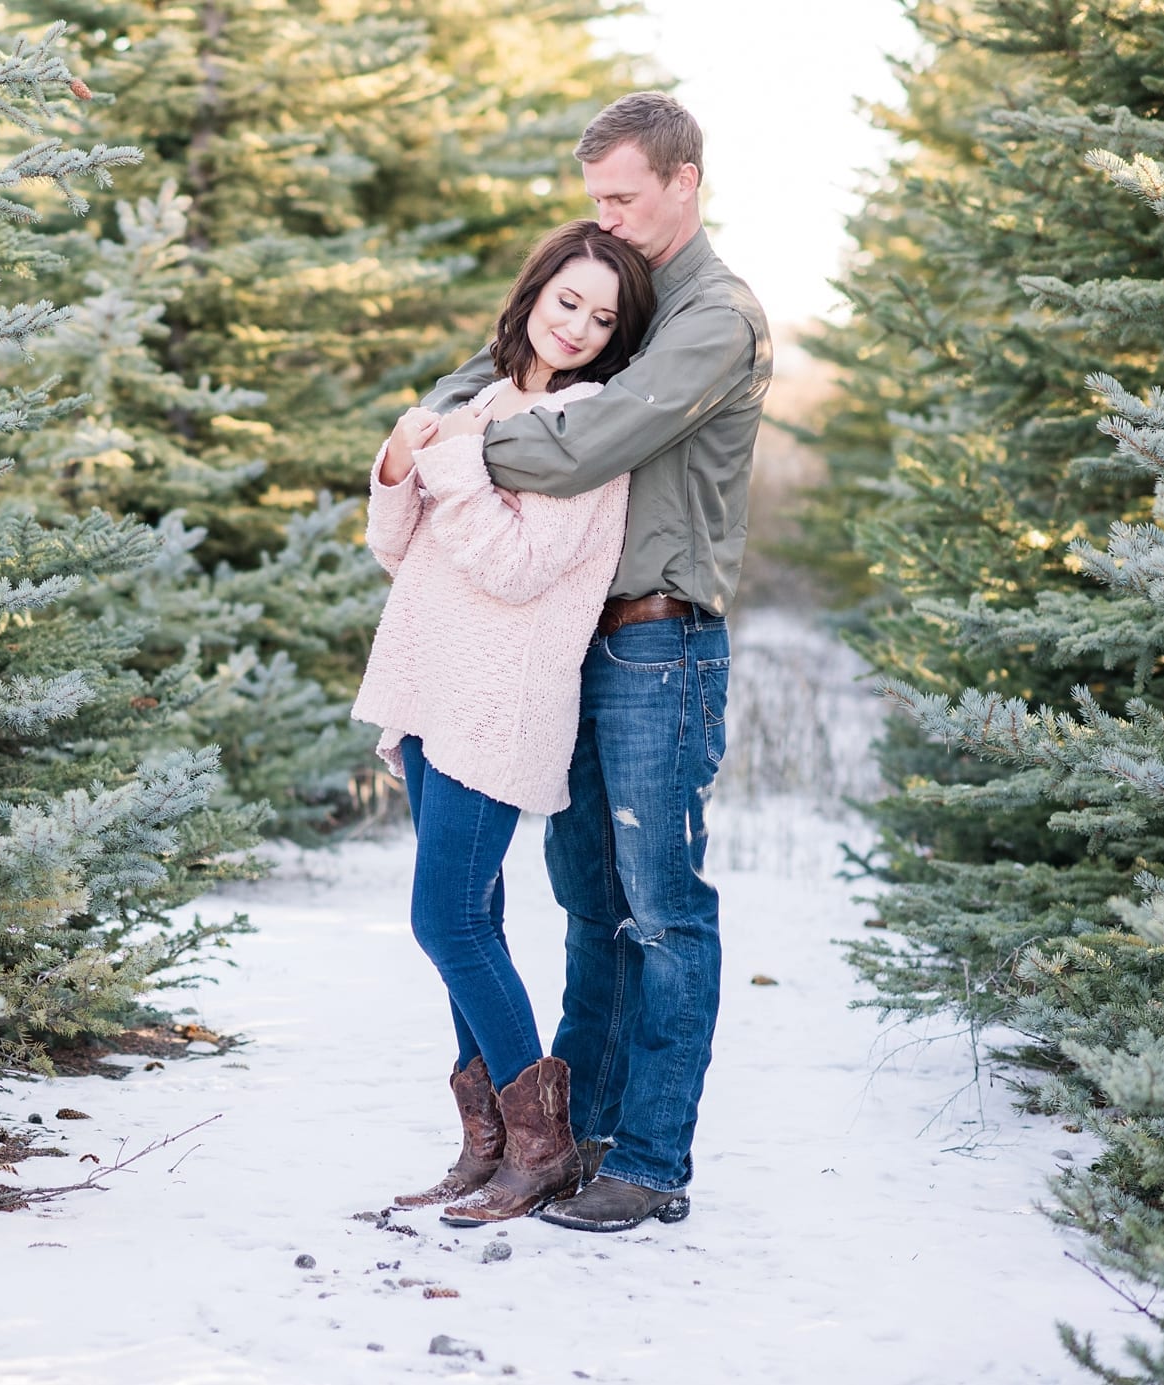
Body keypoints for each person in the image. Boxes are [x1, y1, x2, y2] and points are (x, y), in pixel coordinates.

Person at [421, 92, 773, 1233]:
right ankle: (582, 1138)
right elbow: (504, 359)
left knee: (664, 908)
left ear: (686, 181)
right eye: (595, 201)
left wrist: (460, 442)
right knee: (588, 903)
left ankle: (654, 1163)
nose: (606, 218)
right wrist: (434, 414)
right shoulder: (618, 298)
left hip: (661, 644)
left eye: (624, 195)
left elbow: (587, 442)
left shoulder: (713, 318)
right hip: (572, 637)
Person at [351, 219, 656, 1226]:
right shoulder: (486, 402)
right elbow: (403, 548)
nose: (578, 325)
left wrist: (454, 468)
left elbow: (522, 567)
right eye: (567, 300)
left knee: (443, 918)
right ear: (533, 295)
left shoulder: (588, 426)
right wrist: (402, 462)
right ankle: (485, 1143)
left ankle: (544, 1146)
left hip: (500, 695)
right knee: (470, 919)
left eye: (602, 316)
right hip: (435, 681)